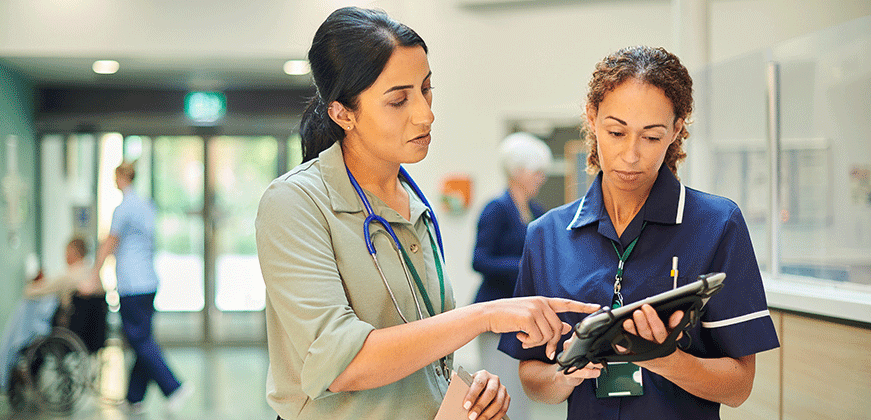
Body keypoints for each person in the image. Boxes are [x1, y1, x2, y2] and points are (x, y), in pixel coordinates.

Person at [255, 7, 599, 420]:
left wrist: (468, 390)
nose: (425, 113)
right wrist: (485, 315)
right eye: (399, 100)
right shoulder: (295, 203)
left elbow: (422, 356)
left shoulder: (413, 203)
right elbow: (342, 363)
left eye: (427, 89)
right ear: (342, 112)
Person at [499, 46, 780, 419]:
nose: (631, 155)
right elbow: (531, 374)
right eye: (616, 132)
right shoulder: (546, 235)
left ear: (676, 130)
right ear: (592, 118)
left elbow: (739, 386)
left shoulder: (717, 224)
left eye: (651, 136)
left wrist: (666, 360)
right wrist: (565, 375)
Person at [92, 161, 193, 414]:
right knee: (141, 339)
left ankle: (174, 387)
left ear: (122, 177)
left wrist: (94, 274)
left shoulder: (123, 208)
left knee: (140, 340)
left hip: (132, 286)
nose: (114, 182)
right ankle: (134, 398)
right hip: (148, 282)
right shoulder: (147, 205)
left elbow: (109, 244)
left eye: (116, 177)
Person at [471, 132, 552, 420]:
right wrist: (522, 267)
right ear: (518, 172)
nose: (541, 178)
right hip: (494, 316)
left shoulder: (537, 212)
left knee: (521, 396)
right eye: (537, 172)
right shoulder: (496, 209)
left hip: (522, 319)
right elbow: (479, 260)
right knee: (500, 394)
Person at [0, 238, 102, 391]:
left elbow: (30, 291)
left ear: (74, 253)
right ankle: (6, 371)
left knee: (24, 310)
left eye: (66, 252)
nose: (65, 257)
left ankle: (2, 373)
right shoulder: (91, 273)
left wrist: (35, 283)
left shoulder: (72, 275)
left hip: (66, 330)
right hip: (89, 334)